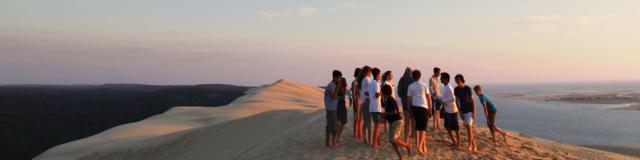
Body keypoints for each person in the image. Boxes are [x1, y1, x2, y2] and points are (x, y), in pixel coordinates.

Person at [382, 85, 412, 160]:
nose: (381, 93)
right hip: (393, 122)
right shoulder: (387, 100)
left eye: (382, 91)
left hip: (397, 121)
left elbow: (395, 111)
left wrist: (385, 114)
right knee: (393, 142)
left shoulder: (391, 99)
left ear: (384, 92)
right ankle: (400, 157)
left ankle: (407, 146)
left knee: (393, 139)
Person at [407, 70, 432, 155]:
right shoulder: (424, 85)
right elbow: (428, 98)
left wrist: (409, 109)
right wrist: (430, 108)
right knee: (423, 128)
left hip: (414, 107)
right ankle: (420, 146)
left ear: (413, 77)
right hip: (423, 107)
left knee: (417, 128)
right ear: (420, 76)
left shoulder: (410, 86)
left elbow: (409, 99)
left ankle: (417, 145)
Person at [454, 74, 477, 152]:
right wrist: (459, 112)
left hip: (470, 111)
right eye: (456, 80)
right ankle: (474, 146)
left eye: (458, 80)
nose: (457, 82)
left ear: (462, 80)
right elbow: (456, 101)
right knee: (468, 128)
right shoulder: (456, 89)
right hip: (463, 111)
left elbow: (472, 101)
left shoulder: (467, 88)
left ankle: (470, 145)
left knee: (469, 127)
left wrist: (474, 112)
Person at [439, 72, 461, 147]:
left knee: (456, 128)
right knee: (447, 127)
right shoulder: (445, 87)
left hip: (452, 111)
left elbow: (453, 98)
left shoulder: (449, 87)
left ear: (446, 79)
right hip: (447, 110)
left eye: (441, 78)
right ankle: (454, 141)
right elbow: (445, 98)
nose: (440, 79)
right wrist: (439, 97)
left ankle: (458, 143)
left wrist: (444, 101)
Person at [324, 70, 342, 149]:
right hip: (331, 109)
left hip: (331, 108)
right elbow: (333, 96)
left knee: (329, 126)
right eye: (339, 78)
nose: (340, 80)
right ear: (335, 77)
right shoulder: (331, 85)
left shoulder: (331, 85)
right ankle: (333, 144)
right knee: (334, 127)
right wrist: (338, 87)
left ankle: (328, 143)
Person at [397, 67, 414, 144]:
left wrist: (403, 96)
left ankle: (406, 139)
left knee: (407, 121)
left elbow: (399, 92)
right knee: (413, 119)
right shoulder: (413, 79)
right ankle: (413, 133)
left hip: (404, 102)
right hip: (413, 103)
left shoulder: (402, 79)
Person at [369, 68, 383, 148]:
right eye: (380, 74)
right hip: (376, 107)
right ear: (377, 74)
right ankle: (374, 144)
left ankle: (377, 142)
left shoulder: (371, 83)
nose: (380, 76)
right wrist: (381, 90)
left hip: (372, 106)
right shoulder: (376, 84)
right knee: (377, 126)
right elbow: (377, 95)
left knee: (376, 125)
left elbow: (366, 92)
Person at [360, 66, 373, 144]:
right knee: (369, 122)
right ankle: (370, 140)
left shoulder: (364, 79)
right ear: (368, 72)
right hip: (367, 101)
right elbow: (368, 92)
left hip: (364, 101)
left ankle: (365, 137)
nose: (371, 73)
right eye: (370, 72)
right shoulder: (367, 80)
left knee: (365, 121)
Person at [336, 77, 349, 143]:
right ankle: (337, 137)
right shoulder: (339, 89)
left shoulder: (343, 89)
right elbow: (337, 97)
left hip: (342, 105)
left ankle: (337, 136)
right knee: (340, 121)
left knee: (342, 121)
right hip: (339, 106)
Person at [351, 68, 363, 141]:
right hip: (357, 102)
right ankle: (355, 135)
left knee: (361, 119)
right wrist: (355, 103)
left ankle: (360, 135)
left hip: (362, 102)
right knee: (356, 119)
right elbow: (354, 94)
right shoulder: (354, 82)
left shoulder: (361, 82)